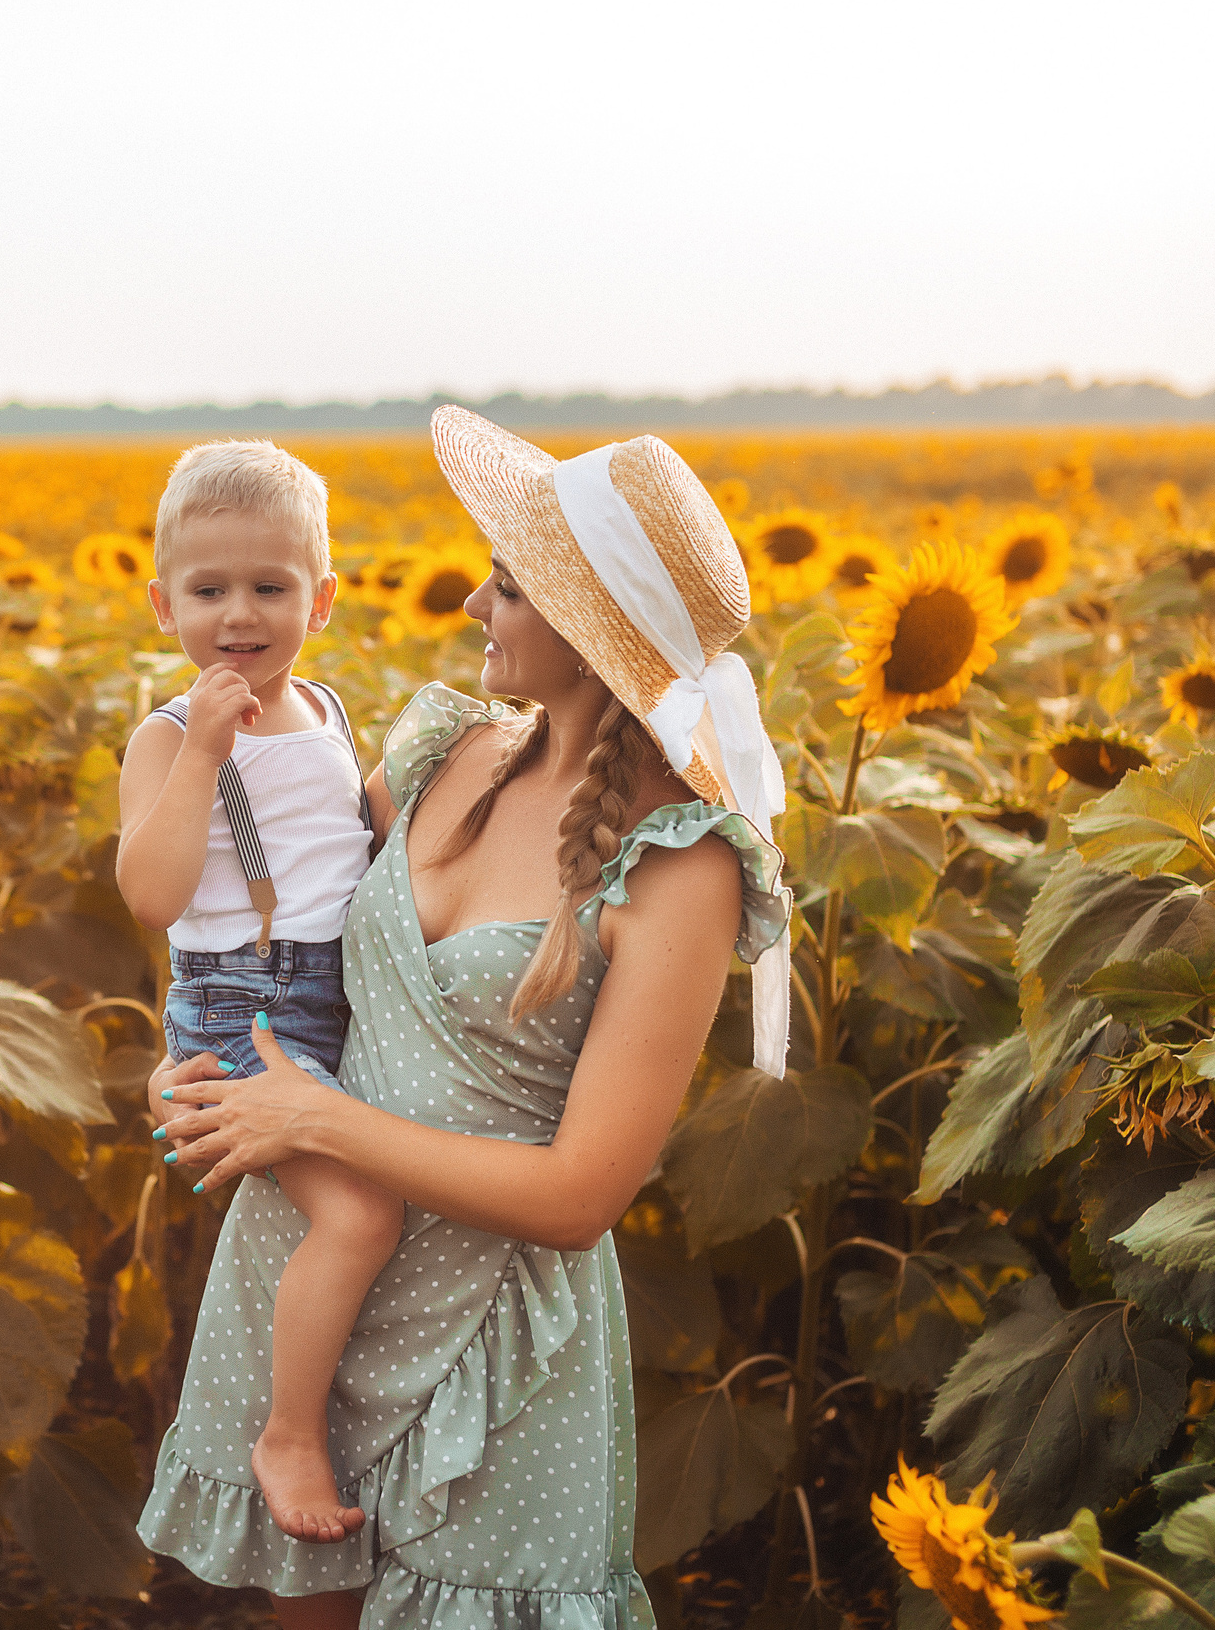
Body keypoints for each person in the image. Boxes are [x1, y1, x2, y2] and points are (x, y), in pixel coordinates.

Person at [136, 407, 795, 1628]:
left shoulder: (678, 867)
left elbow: (580, 1196)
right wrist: (196, 1054)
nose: (472, 611)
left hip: (494, 1346)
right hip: (313, 1274)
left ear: (591, 633)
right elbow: (261, 911)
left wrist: (317, 1120)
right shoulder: (449, 748)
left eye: (505, 589)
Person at [117, 440, 406, 1545]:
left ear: (320, 600)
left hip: (342, 1000)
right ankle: (285, 1432)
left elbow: (352, 856)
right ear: (162, 605)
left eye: (270, 587)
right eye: (208, 590)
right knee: (359, 1210)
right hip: (244, 1011)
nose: (239, 614)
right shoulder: (162, 738)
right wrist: (199, 756)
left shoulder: (327, 713)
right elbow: (152, 894)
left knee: (398, 1205)